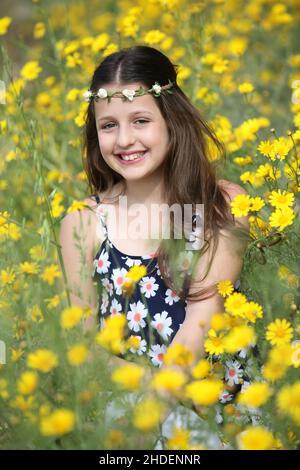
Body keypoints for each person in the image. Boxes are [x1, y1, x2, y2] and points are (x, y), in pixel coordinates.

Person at [59, 45, 250, 448]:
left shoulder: (221, 205)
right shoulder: (83, 221)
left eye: (140, 120)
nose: (124, 139)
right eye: (108, 125)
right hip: (131, 412)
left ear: (171, 121)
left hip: (221, 411)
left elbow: (203, 314)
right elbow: (82, 345)